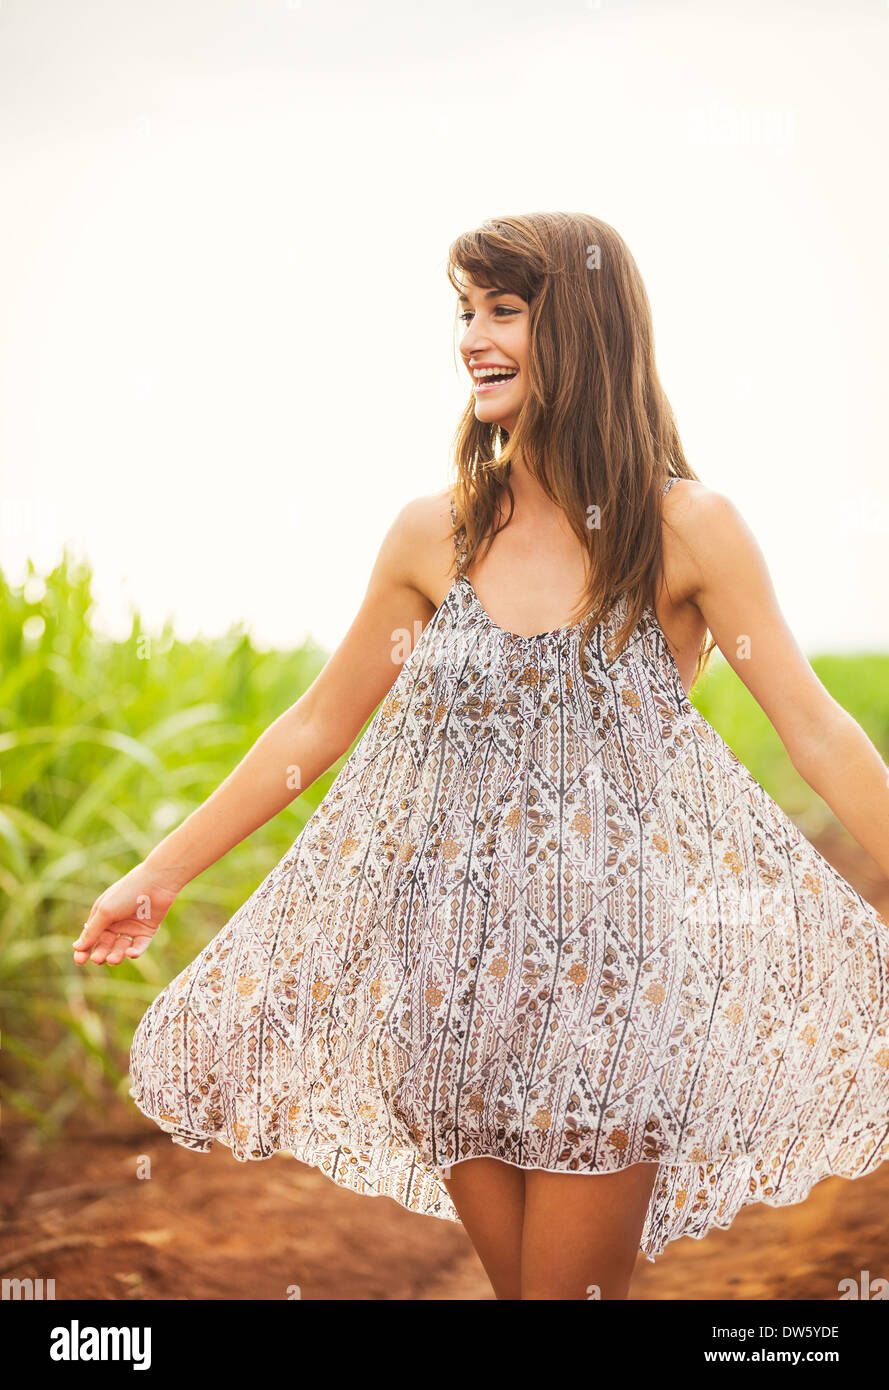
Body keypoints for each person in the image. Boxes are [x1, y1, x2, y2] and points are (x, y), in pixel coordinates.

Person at [73, 212, 889, 1301]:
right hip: (446, 974)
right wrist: (155, 873)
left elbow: (818, 729)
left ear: (585, 326)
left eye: (504, 308)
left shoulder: (684, 526)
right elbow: (315, 728)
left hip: (615, 971)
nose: (472, 336)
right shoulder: (434, 533)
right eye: (465, 311)